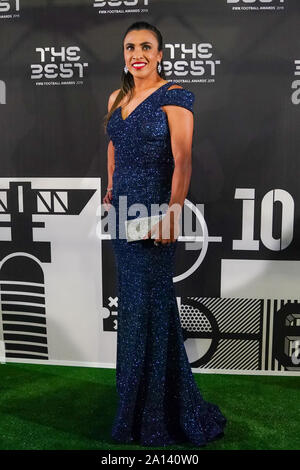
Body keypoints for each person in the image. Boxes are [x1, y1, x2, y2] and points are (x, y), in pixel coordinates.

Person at [102, 21, 227, 447]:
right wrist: (109, 188)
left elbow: (184, 159)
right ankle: (136, 404)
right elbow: (114, 145)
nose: (137, 53)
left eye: (146, 47)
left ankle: (155, 411)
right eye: (130, 47)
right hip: (122, 215)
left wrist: (172, 213)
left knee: (149, 309)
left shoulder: (175, 97)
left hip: (155, 214)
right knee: (138, 310)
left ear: (159, 54)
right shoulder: (117, 97)